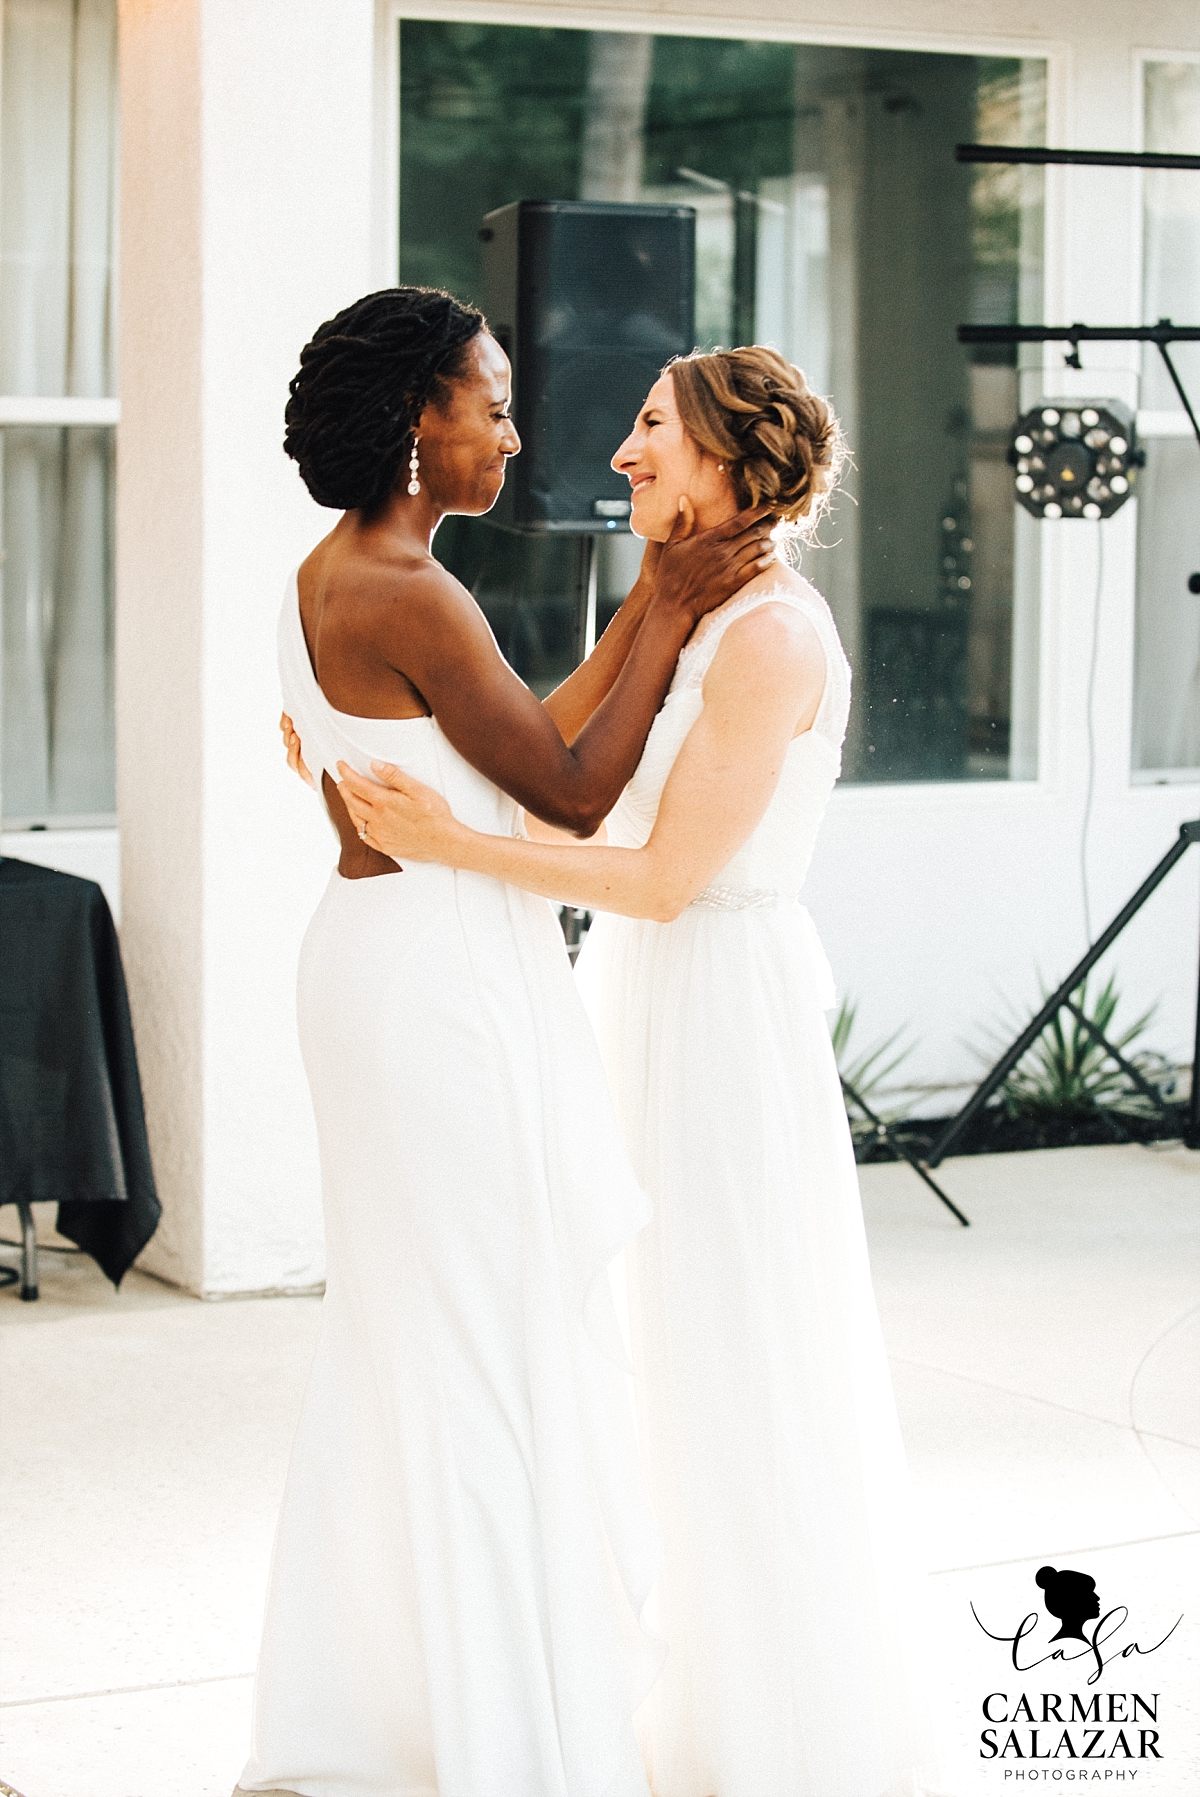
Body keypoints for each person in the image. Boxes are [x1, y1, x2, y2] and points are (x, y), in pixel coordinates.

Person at [335, 347, 938, 1797]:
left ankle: (774, 1739)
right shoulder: (682, 603)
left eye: (651, 430)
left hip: (720, 1006)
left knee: (732, 1356)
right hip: (639, 993)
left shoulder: (777, 639)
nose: (619, 454)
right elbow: (555, 752)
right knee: (638, 1361)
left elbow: (664, 878)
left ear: (733, 462)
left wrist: (449, 845)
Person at [236, 289, 774, 1797]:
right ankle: (498, 1734)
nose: (518, 433)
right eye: (494, 403)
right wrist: (670, 603)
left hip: (382, 967)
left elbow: (512, 749)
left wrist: (642, 617)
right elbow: (577, 795)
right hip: (436, 990)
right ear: (421, 418)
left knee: (424, 1339)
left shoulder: (338, 572)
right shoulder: (410, 593)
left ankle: (408, 1706)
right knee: (479, 1349)